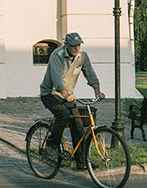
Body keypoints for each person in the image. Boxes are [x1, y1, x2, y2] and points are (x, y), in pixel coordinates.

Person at [39, 32, 105, 168]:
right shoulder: (57, 56)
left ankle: (81, 162)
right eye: (73, 45)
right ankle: (51, 143)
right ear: (66, 45)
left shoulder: (82, 57)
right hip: (50, 93)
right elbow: (57, 79)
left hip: (68, 95)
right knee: (63, 115)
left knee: (78, 125)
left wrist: (97, 91)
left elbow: (90, 74)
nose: (76, 48)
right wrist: (65, 94)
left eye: (78, 45)